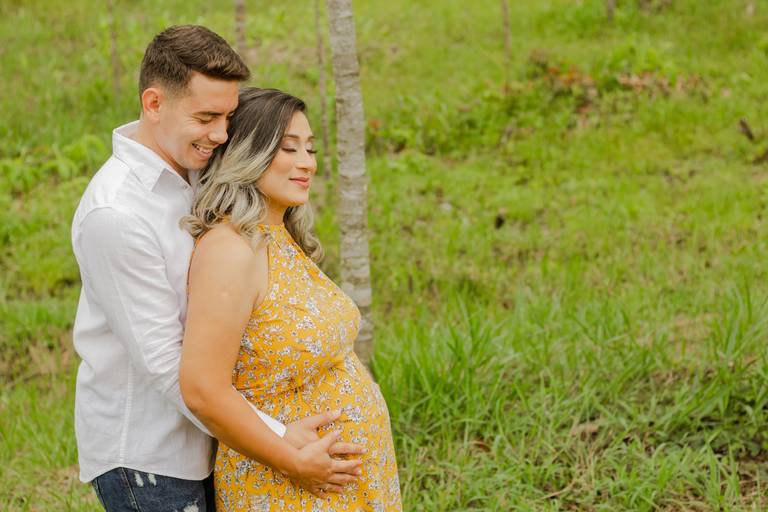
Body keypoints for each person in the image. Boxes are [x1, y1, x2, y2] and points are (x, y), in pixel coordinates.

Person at [71, 25, 363, 512]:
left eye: (227, 117)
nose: (222, 135)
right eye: (206, 117)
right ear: (154, 104)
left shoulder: (195, 169)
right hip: (152, 458)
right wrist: (279, 439)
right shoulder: (116, 214)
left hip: (218, 439)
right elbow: (168, 366)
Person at [179, 87, 402, 511]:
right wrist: (293, 461)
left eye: (311, 149)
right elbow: (203, 389)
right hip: (285, 484)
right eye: (289, 148)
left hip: (333, 485)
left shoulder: (278, 237)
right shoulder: (229, 250)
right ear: (248, 153)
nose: (307, 163)